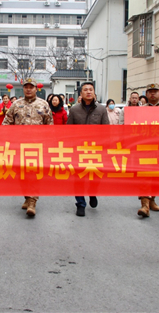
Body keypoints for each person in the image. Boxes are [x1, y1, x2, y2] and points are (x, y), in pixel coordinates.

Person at [2, 78, 53, 216]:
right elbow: (6, 123)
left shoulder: (44, 104)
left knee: (35, 173)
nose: (29, 89)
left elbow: (50, 126)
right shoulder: (16, 104)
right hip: (19, 146)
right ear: (23, 89)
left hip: (37, 146)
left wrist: (49, 144)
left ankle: (32, 202)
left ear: (36, 89)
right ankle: (27, 196)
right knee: (22, 174)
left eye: (32, 87)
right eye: (26, 87)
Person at [66, 82, 109, 217]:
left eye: (91, 89)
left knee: (95, 176)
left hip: (96, 149)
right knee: (78, 177)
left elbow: (107, 129)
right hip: (79, 149)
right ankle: (80, 204)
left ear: (94, 92)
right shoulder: (74, 109)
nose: (88, 92)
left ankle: (92, 193)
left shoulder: (101, 109)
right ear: (81, 93)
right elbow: (68, 130)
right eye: (85, 90)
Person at [137, 83, 159, 218]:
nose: (153, 94)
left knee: (157, 176)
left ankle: (152, 199)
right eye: (150, 92)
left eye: (155, 91)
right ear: (146, 94)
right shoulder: (139, 111)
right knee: (144, 175)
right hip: (145, 148)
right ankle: (145, 205)